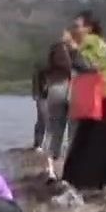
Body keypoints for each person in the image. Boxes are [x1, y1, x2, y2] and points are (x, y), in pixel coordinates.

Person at [58, 10, 106, 198]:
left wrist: (71, 47)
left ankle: (74, 186)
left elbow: (87, 66)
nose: (74, 29)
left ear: (88, 28)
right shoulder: (105, 45)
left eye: (77, 26)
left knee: (85, 142)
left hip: (104, 96)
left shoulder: (88, 42)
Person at [43, 29, 74, 182]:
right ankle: (70, 170)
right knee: (71, 129)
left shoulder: (52, 53)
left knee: (53, 129)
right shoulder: (69, 51)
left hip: (54, 89)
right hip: (68, 89)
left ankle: (50, 169)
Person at [31, 64, 49, 152]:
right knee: (42, 119)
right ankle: (38, 143)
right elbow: (36, 78)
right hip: (42, 95)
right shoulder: (42, 63)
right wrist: (35, 93)